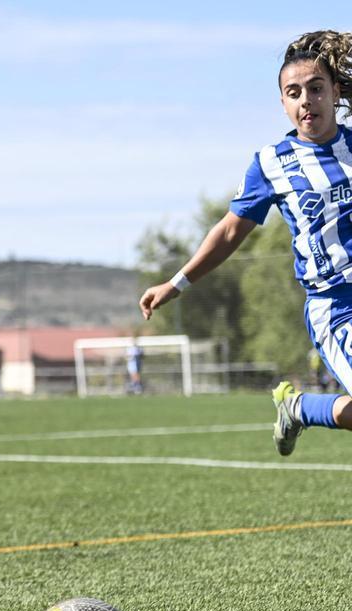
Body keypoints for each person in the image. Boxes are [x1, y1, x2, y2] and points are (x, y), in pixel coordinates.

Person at [140, 30, 352, 457]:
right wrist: (176, 283)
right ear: (283, 103)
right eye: (294, 93)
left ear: (335, 92)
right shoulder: (273, 163)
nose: (306, 100)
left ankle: (300, 407)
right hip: (337, 306)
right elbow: (230, 230)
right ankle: (303, 407)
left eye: (315, 88)